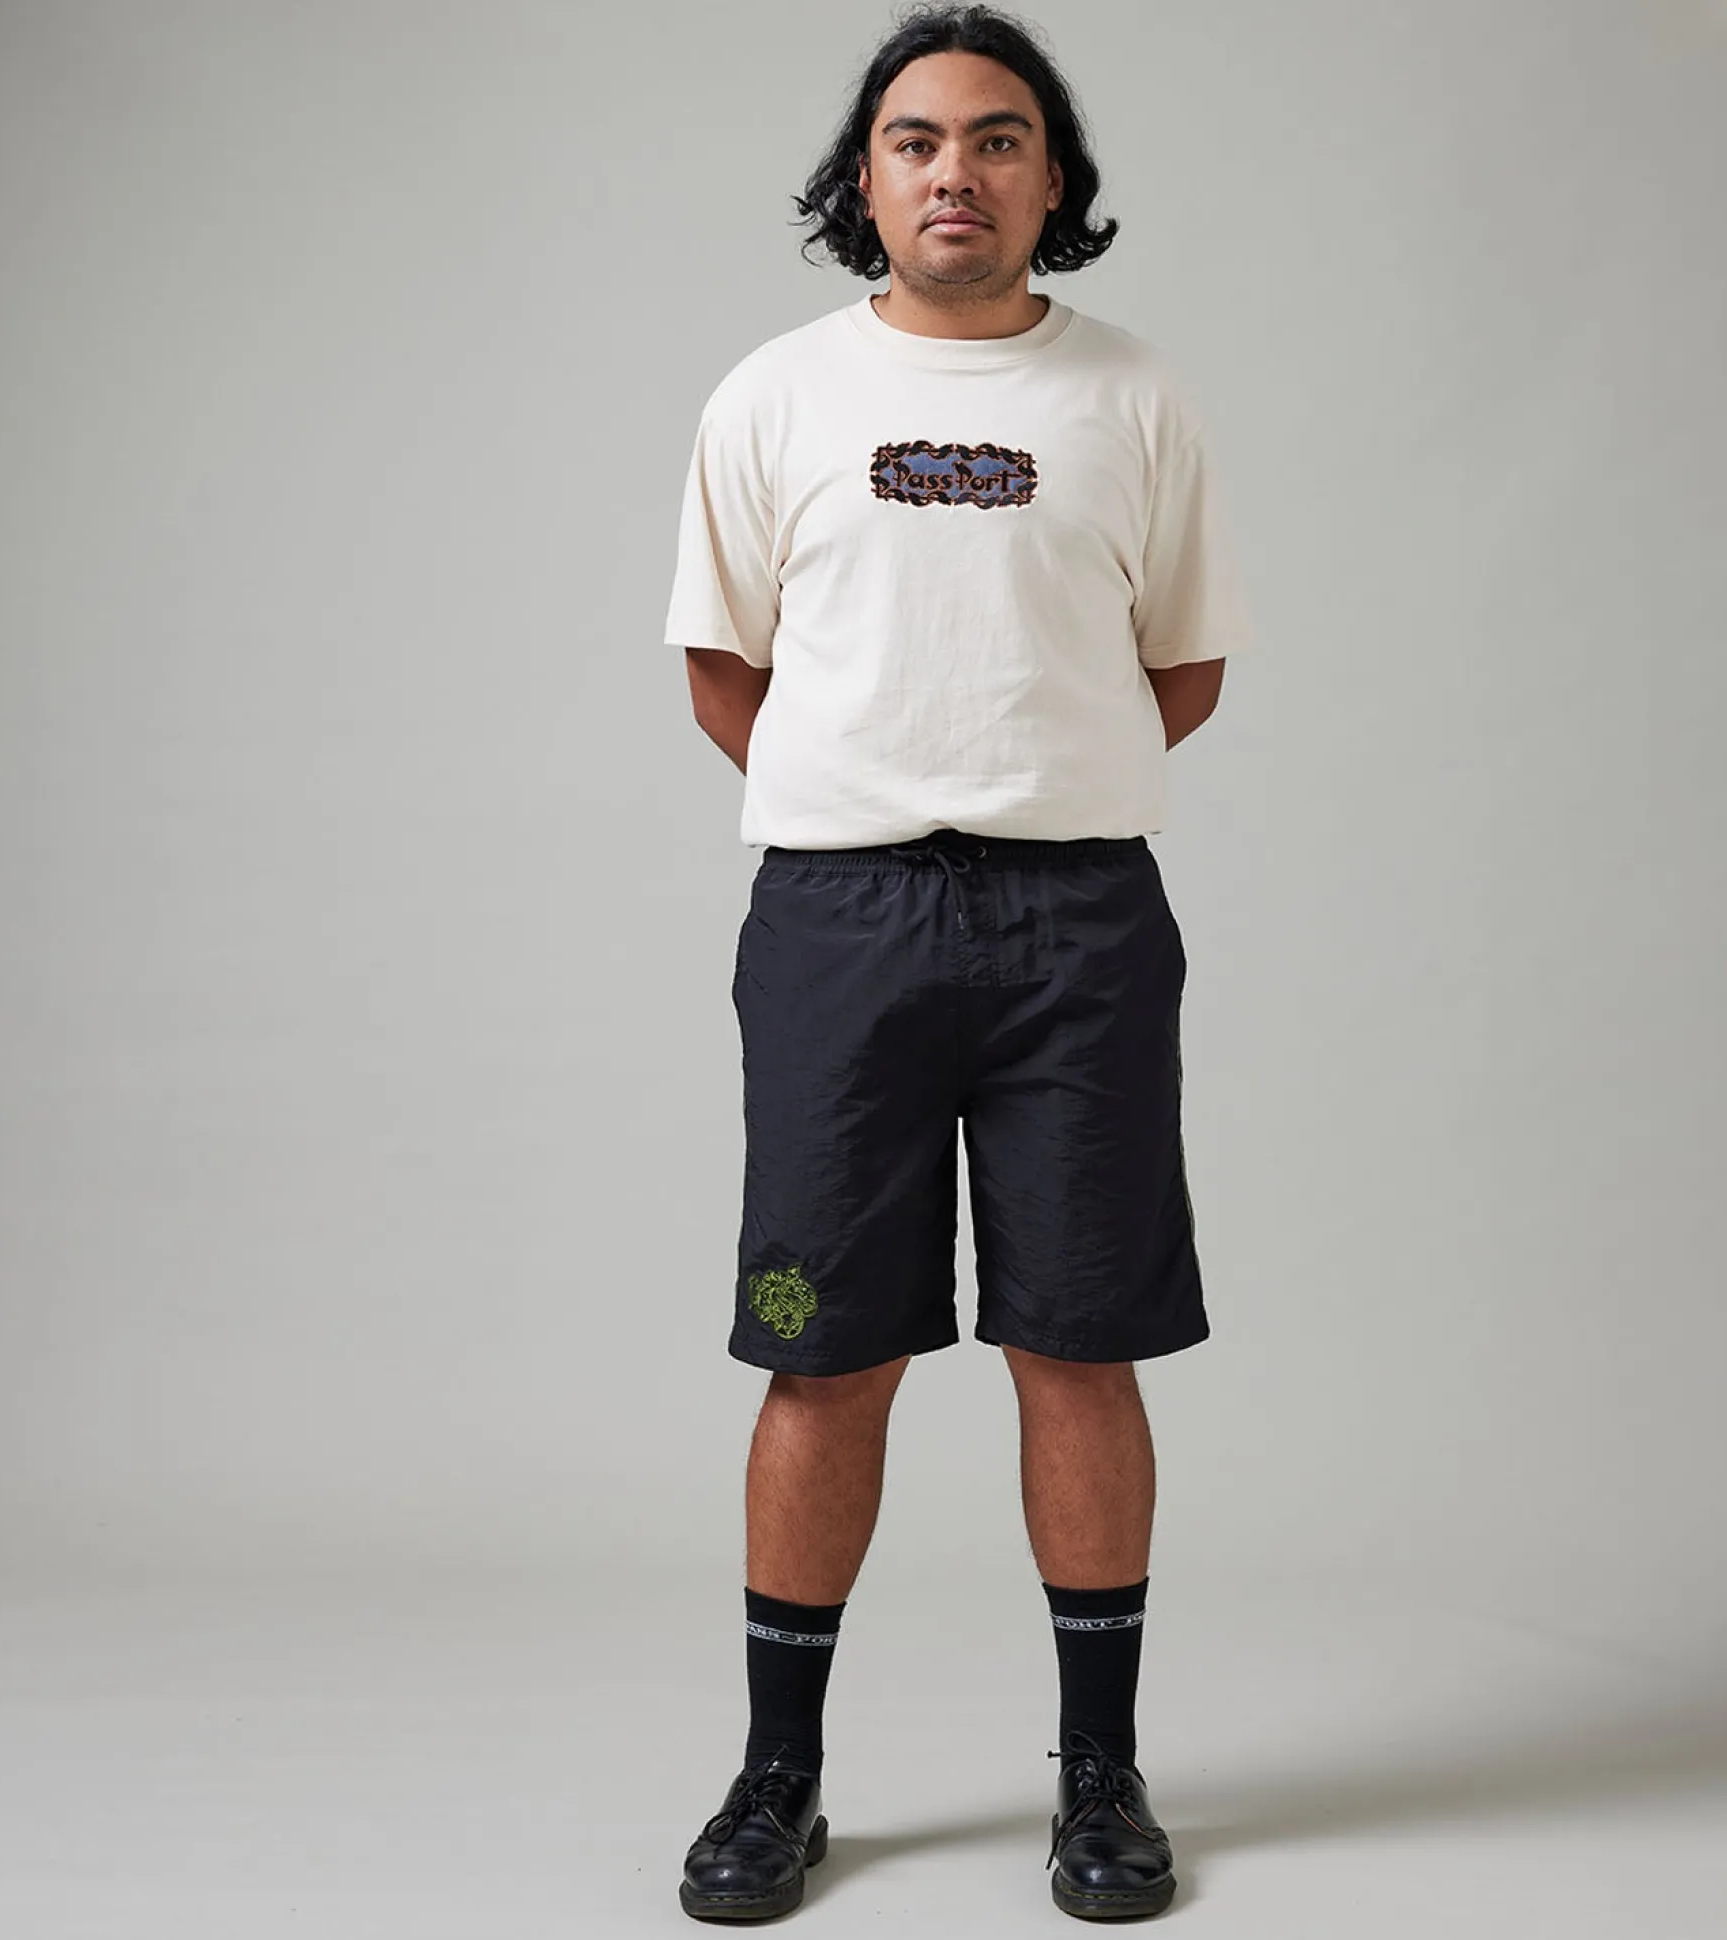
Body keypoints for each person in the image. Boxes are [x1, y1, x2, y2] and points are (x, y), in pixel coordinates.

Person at [662, 3, 1251, 1920]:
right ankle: (777, 1779)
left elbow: (1182, 665)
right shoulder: (773, 397)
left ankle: (1100, 1778)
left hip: (1080, 927)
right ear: (865, 178)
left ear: (1051, 178)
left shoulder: (1134, 397)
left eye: (999, 139)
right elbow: (722, 663)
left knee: (1080, 1341)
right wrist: (874, 789)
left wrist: (1027, 789)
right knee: (818, 1348)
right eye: (916, 140)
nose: (956, 173)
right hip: (838, 932)